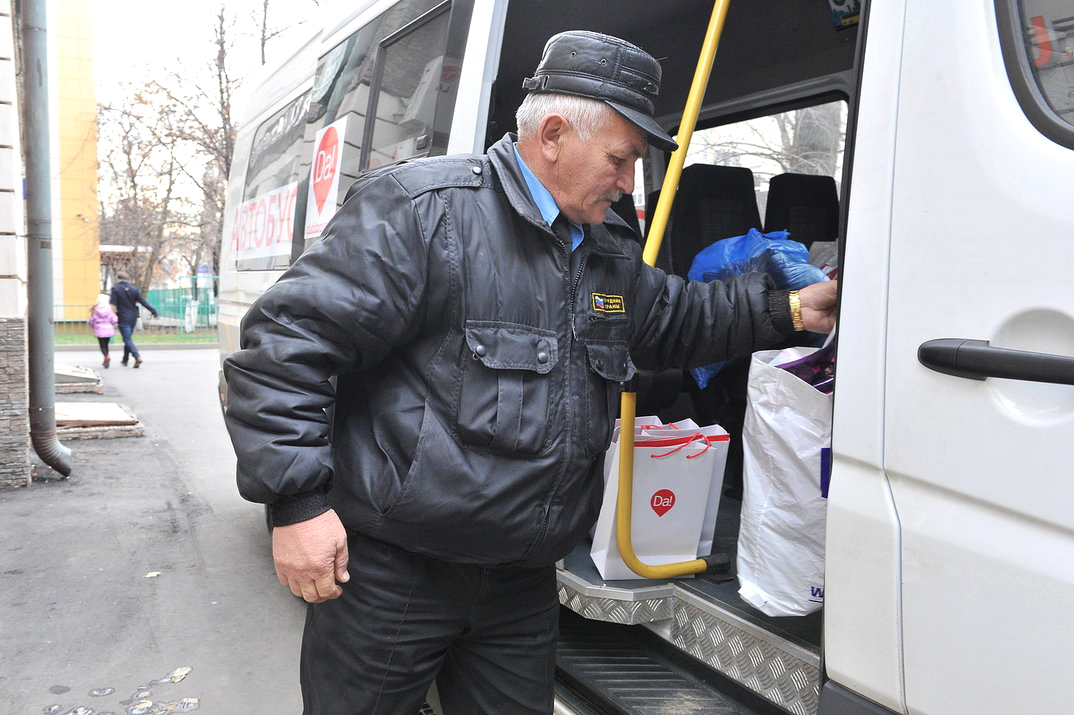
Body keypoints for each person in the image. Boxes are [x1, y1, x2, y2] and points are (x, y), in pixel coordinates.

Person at [224, 30, 838, 714]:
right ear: (552, 135)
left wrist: (790, 309)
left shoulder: (605, 252)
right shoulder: (427, 214)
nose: (628, 182)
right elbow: (284, 348)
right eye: (620, 159)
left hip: (518, 584)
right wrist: (298, 505)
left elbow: (678, 319)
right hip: (395, 576)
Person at [109, 270, 158, 368]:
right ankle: (125, 360)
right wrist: (153, 311)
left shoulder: (115, 289)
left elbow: (113, 305)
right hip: (133, 317)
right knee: (128, 338)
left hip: (123, 317)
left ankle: (137, 357)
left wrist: (110, 318)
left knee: (127, 338)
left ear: (117, 278)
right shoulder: (134, 289)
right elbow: (143, 302)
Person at [87, 293, 118, 368]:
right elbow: (114, 319)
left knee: (102, 346)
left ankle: (106, 356)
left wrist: (91, 325)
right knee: (106, 345)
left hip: (99, 329)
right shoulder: (110, 309)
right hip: (108, 329)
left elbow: (92, 320)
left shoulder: (96, 309)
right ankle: (106, 359)